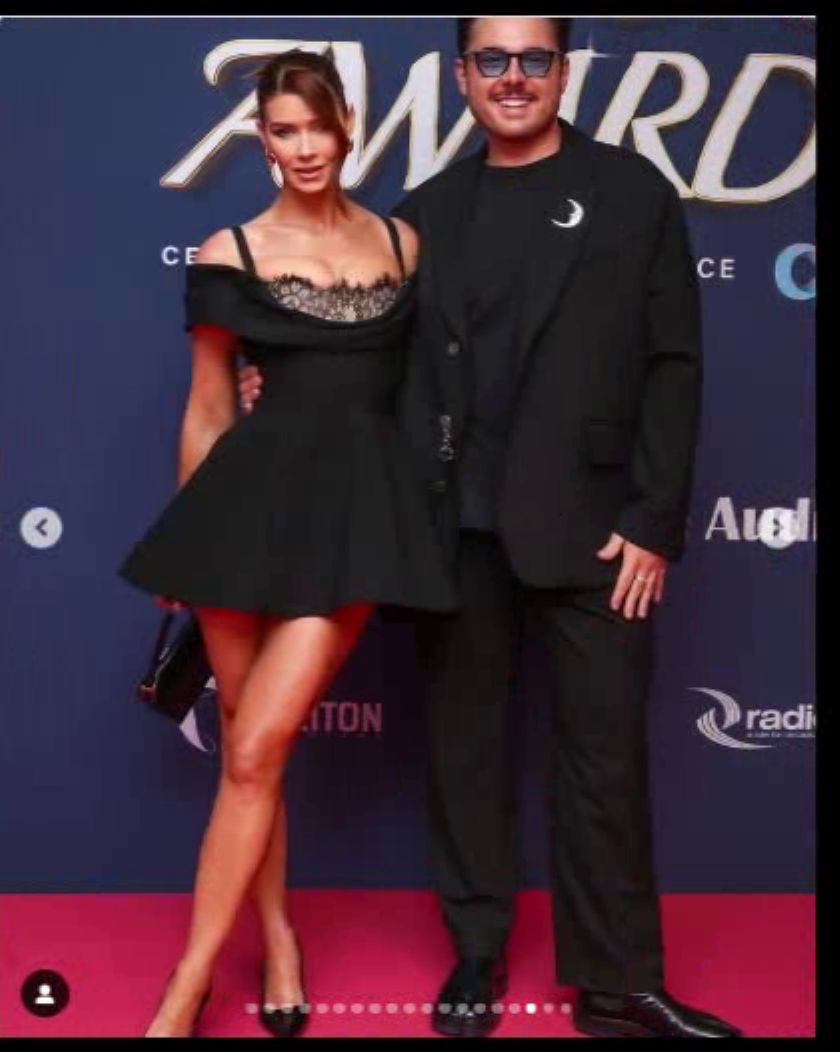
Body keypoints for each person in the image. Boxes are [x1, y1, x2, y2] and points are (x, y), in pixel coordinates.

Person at [239, 17, 743, 1040]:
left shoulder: (632, 193)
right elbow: (373, 359)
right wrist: (277, 387)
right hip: (455, 528)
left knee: (604, 760)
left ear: (564, 70)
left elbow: (674, 365)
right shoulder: (426, 212)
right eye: (493, 60)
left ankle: (617, 984)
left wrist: (654, 520)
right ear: (462, 75)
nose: (514, 77)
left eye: (534, 58)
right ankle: (476, 950)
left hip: (598, 533)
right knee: (464, 753)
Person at [119, 49, 457, 1038]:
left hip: (355, 521)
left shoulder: (402, 243)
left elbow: (415, 390)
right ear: (262, 141)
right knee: (247, 755)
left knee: (259, 745)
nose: (303, 146)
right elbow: (209, 405)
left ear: (346, 126)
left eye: (316, 126)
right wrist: (186, 542)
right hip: (241, 516)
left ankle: (184, 989)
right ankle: (276, 942)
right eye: (282, 130)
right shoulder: (231, 251)